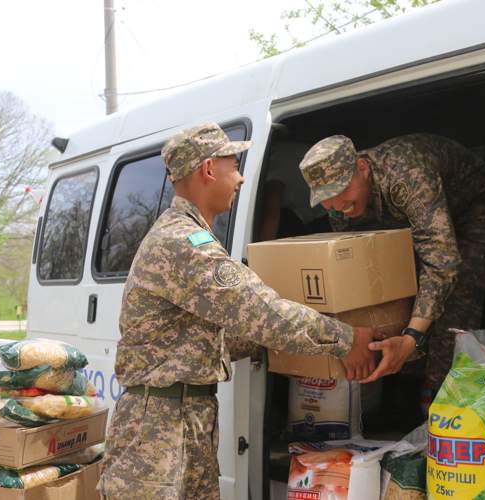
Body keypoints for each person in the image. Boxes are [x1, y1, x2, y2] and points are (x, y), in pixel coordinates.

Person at [98, 123, 376, 499]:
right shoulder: (184, 242)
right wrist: (345, 340)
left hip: (185, 416)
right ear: (208, 169)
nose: (242, 178)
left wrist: (287, 347)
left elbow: (211, 337)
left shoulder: (190, 237)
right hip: (158, 429)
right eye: (234, 165)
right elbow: (261, 311)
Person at [299, 133, 485, 408]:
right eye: (327, 199)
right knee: (401, 288)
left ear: (362, 168)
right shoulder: (340, 204)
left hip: (474, 213)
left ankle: (442, 400)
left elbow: (443, 260)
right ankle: (406, 393)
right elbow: (358, 265)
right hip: (419, 224)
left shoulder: (406, 174)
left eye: (342, 190)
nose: (338, 205)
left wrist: (412, 338)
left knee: (455, 296)